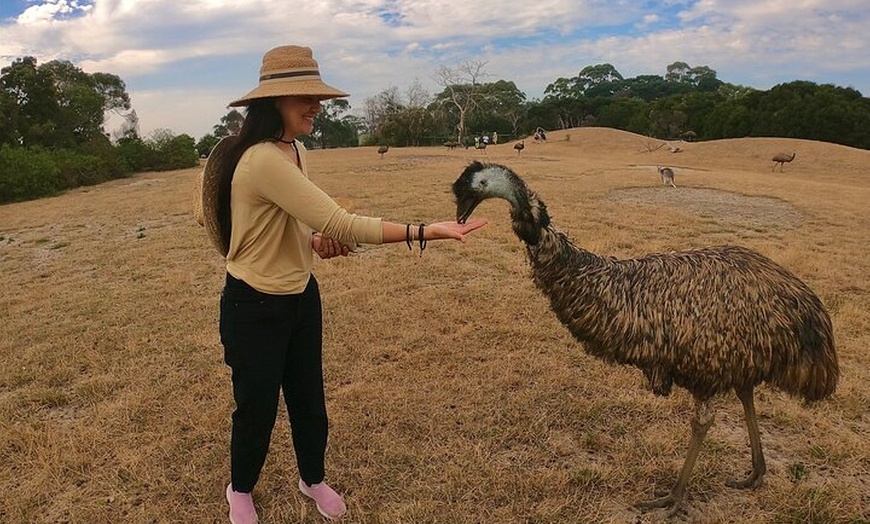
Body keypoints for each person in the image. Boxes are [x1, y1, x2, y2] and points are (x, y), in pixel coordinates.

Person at [197, 45, 486, 524]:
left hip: (300, 296)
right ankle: (240, 488)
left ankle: (311, 478)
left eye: (318, 97)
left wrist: (312, 241)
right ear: (273, 102)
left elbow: (292, 221)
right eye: (304, 97)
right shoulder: (261, 159)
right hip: (254, 305)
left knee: (309, 400)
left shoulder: (295, 150)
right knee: (256, 408)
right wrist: (425, 231)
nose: (316, 106)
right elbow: (342, 222)